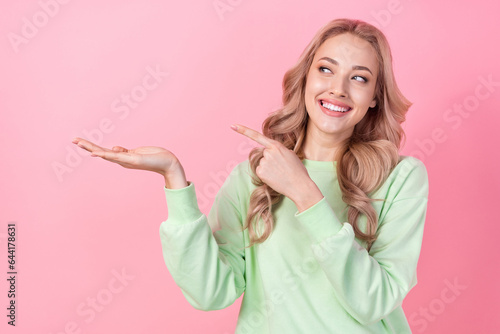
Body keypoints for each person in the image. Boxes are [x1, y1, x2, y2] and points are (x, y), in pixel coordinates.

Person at [73, 18, 429, 333]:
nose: (338, 88)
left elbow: (375, 302)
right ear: (305, 78)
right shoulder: (255, 176)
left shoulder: (402, 178)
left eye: (359, 78)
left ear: (374, 99)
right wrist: (174, 179)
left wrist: (305, 192)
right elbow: (210, 292)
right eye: (325, 69)